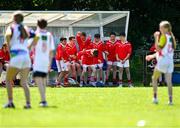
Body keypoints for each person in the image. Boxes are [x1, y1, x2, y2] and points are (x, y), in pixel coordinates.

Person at [4, 11, 32, 109]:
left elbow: (7, 35)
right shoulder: (25, 28)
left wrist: (10, 47)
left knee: (8, 80)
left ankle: (10, 102)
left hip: (16, 55)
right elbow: (33, 37)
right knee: (24, 82)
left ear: (14, 18)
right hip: (26, 56)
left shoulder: (11, 27)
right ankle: (28, 104)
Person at [146, 21, 176, 105]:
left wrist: (156, 37)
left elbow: (158, 49)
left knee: (154, 78)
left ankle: (155, 98)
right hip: (170, 61)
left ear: (166, 28)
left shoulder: (163, 37)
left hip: (163, 61)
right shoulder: (172, 38)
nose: (160, 29)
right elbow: (164, 51)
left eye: (161, 27)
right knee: (169, 81)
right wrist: (152, 56)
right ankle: (170, 101)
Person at [32, 19, 55, 107]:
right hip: (46, 60)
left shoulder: (35, 34)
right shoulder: (49, 35)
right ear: (46, 25)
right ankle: (43, 99)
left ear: (37, 24)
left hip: (38, 60)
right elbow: (51, 51)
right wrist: (49, 63)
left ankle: (43, 100)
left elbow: (30, 47)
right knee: (43, 80)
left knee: (39, 80)